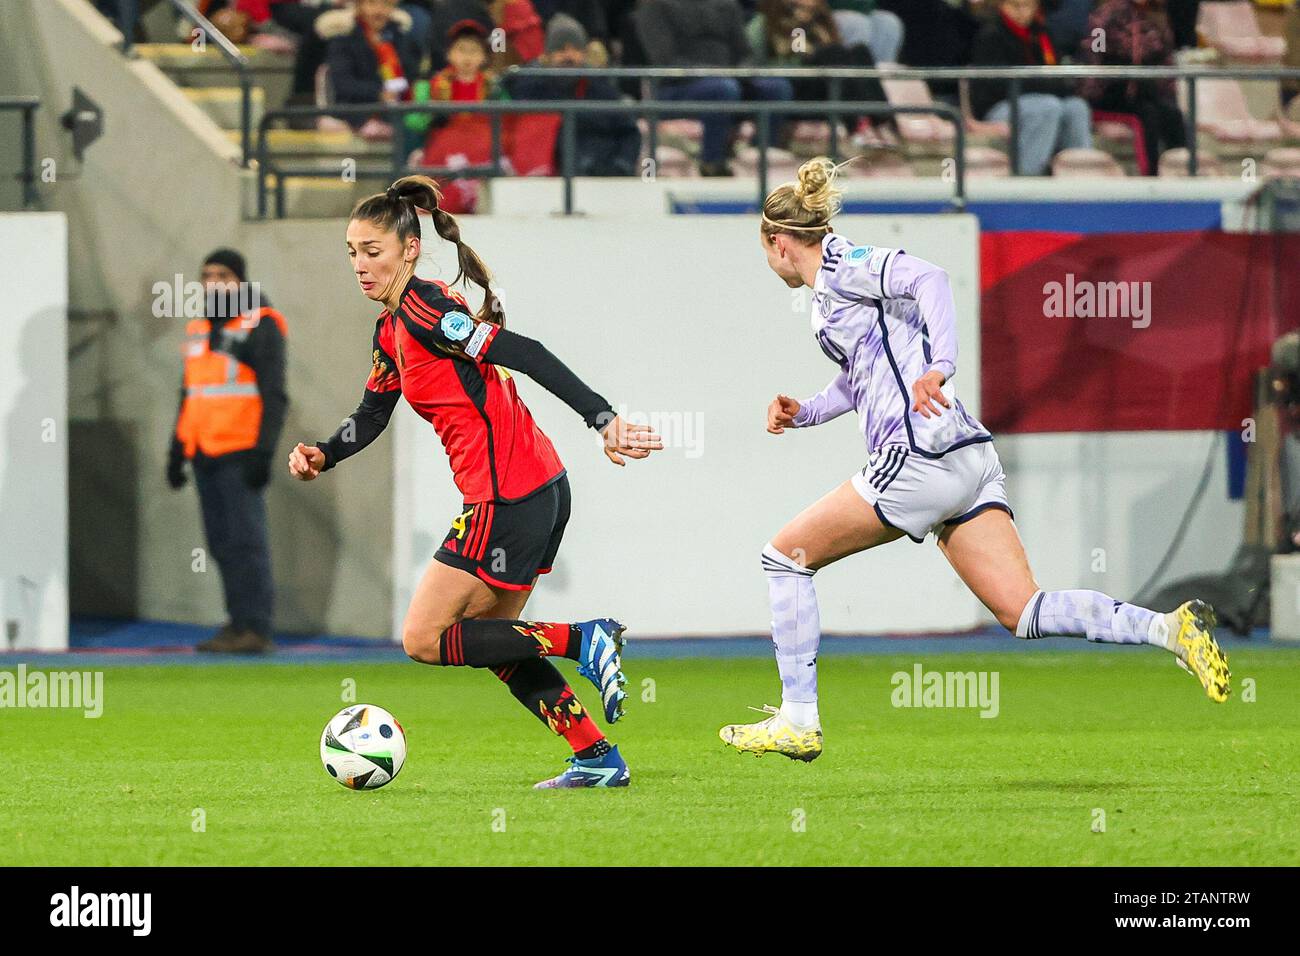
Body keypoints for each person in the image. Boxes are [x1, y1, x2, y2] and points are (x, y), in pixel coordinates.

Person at [717, 158, 1231, 761]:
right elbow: (862, 379)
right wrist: (804, 411)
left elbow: (930, 278)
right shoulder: (833, 296)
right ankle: (1170, 629)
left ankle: (798, 718)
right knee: (1023, 609)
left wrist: (943, 365)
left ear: (778, 242)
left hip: (916, 457)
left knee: (786, 558)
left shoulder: (839, 264)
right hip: (964, 457)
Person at [287, 176, 662, 788]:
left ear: (410, 249)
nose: (359, 264)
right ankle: (596, 757)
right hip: (539, 489)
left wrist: (604, 419)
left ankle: (584, 638)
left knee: (424, 637)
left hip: (506, 495)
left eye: (372, 251)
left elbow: (527, 351)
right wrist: (325, 455)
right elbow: (373, 413)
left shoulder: (425, 308)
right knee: (496, 643)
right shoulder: (391, 330)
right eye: (351, 252)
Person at [168, 249, 288, 655]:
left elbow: (275, 395)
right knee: (221, 544)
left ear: (240, 280)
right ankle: (238, 623)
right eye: (206, 275)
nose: (213, 282)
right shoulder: (199, 328)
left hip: (240, 452)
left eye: (222, 274)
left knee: (246, 543)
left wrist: (264, 454)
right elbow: (190, 394)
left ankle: (255, 627)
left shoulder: (261, 324)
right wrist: (176, 450)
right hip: (204, 451)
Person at [638, 0, 793, 176]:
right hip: (676, 86)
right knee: (723, 88)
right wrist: (713, 73)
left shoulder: (727, 5)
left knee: (776, 88)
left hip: (727, 81)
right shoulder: (655, 6)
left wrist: (742, 72)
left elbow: (744, 54)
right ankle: (712, 162)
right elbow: (665, 60)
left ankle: (760, 160)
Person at [504, 13, 641, 176]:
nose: (569, 56)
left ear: (584, 54)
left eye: (575, 49)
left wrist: (620, 166)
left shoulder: (602, 89)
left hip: (601, 181)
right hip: (542, 182)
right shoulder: (527, 90)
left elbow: (629, 133)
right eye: (561, 49)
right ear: (547, 56)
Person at [969, 0, 1094, 175]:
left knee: (1076, 107)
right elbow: (995, 85)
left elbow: (1056, 74)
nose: (1021, 12)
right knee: (1046, 107)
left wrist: (1055, 84)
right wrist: (1045, 84)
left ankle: (1080, 176)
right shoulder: (990, 34)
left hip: (1042, 100)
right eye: (1015, 6)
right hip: (999, 106)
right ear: (1002, 6)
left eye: (1027, 6)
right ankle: (1027, 178)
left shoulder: (1042, 34)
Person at [1078, 0, 1186, 176]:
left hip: (1144, 93)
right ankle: (1150, 178)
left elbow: (1167, 63)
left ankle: (1185, 173)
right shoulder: (1105, 15)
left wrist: (1166, 96)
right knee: (1146, 114)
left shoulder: (1157, 17)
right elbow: (1092, 57)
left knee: (1173, 114)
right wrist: (1092, 94)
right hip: (1107, 95)